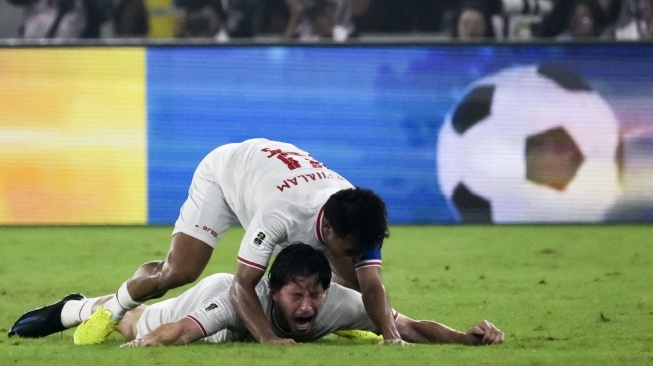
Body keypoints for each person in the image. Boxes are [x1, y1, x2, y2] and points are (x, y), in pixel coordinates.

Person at [72, 138, 404, 346]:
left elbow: (372, 285)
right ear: (329, 229)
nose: (358, 253)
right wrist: (270, 339)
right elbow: (241, 286)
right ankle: (112, 310)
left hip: (276, 180)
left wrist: (391, 337)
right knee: (179, 271)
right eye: (351, 247)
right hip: (226, 175)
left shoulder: (358, 214)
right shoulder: (282, 214)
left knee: (352, 277)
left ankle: (331, 322)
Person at [9, 244, 505, 346]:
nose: (308, 307)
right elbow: (173, 333)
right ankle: (74, 307)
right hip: (202, 305)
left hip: (235, 334)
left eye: (315, 295)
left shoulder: (337, 303)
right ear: (273, 291)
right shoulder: (232, 296)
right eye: (297, 296)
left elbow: (408, 327)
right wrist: (144, 346)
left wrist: (466, 339)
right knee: (134, 319)